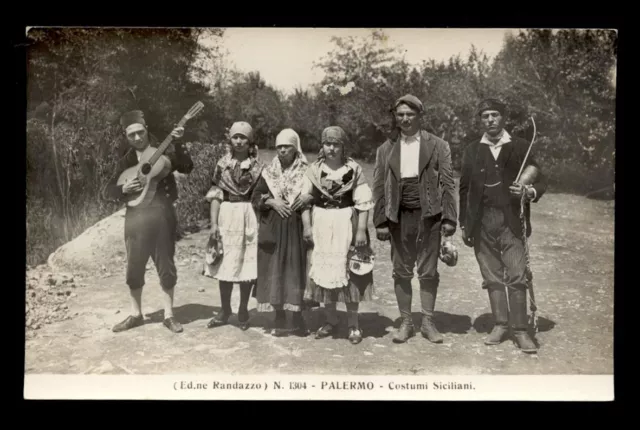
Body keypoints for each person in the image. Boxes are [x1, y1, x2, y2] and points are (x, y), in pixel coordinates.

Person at [459, 98, 547, 354]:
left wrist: (528, 190)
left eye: (495, 115)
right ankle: (500, 325)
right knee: (492, 276)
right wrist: (466, 223)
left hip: (512, 221)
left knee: (517, 274)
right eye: (485, 116)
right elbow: (464, 188)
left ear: (503, 118)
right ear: (480, 120)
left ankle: (520, 331)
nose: (490, 120)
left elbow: (542, 181)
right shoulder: (471, 150)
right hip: (481, 222)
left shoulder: (520, 146)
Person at [372, 94, 457, 344]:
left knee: (428, 271)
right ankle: (407, 322)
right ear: (395, 118)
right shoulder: (385, 149)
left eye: (410, 114)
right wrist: (380, 222)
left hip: (429, 217)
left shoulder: (438, 145)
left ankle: (428, 322)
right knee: (401, 270)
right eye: (400, 115)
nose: (405, 119)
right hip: (398, 218)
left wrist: (450, 218)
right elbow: (378, 186)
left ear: (420, 116)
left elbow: (449, 184)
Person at [105, 109, 194, 334]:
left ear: (147, 131)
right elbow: (105, 191)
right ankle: (136, 314)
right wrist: (122, 189)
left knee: (166, 265)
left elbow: (187, 167)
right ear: (126, 136)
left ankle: (169, 315)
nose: (137, 138)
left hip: (162, 215)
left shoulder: (163, 151)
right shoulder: (124, 162)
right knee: (134, 266)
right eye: (131, 135)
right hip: (136, 218)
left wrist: (180, 144)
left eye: (140, 132)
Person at [301, 126, 374, 345]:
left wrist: (361, 230)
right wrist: (307, 226)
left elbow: (363, 201)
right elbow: (304, 201)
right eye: (327, 143)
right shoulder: (314, 170)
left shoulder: (353, 169)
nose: (331, 148)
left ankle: (353, 324)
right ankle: (330, 319)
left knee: (350, 273)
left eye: (336, 144)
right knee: (324, 273)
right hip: (322, 224)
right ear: (321, 146)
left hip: (347, 225)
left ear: (343, 147)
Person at [251, 128, 313, 337]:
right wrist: (271, 201)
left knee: (295, 268)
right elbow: (256, 196)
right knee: (274, 268)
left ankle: (296, 316)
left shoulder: (307, 171)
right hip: (273, 227)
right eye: (279, 147)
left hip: (296, 226)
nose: (282, 151)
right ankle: (278, 316)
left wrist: (308, 198)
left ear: (296, 149)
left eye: (287, 146)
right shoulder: (269, 172)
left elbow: (317, 195)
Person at [205, 121, 264, 331]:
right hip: (227, 214)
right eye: (235, 137)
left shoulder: (258, 167)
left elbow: (260, 196)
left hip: (248, 214)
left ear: (250, 142)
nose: (238, 141)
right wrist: (214, 225)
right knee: (226, 263)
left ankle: (243, 309)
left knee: (245, 264)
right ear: (230, 140)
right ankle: (224, 309)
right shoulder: (222, 164)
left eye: (243, 138)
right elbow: (215, 195)